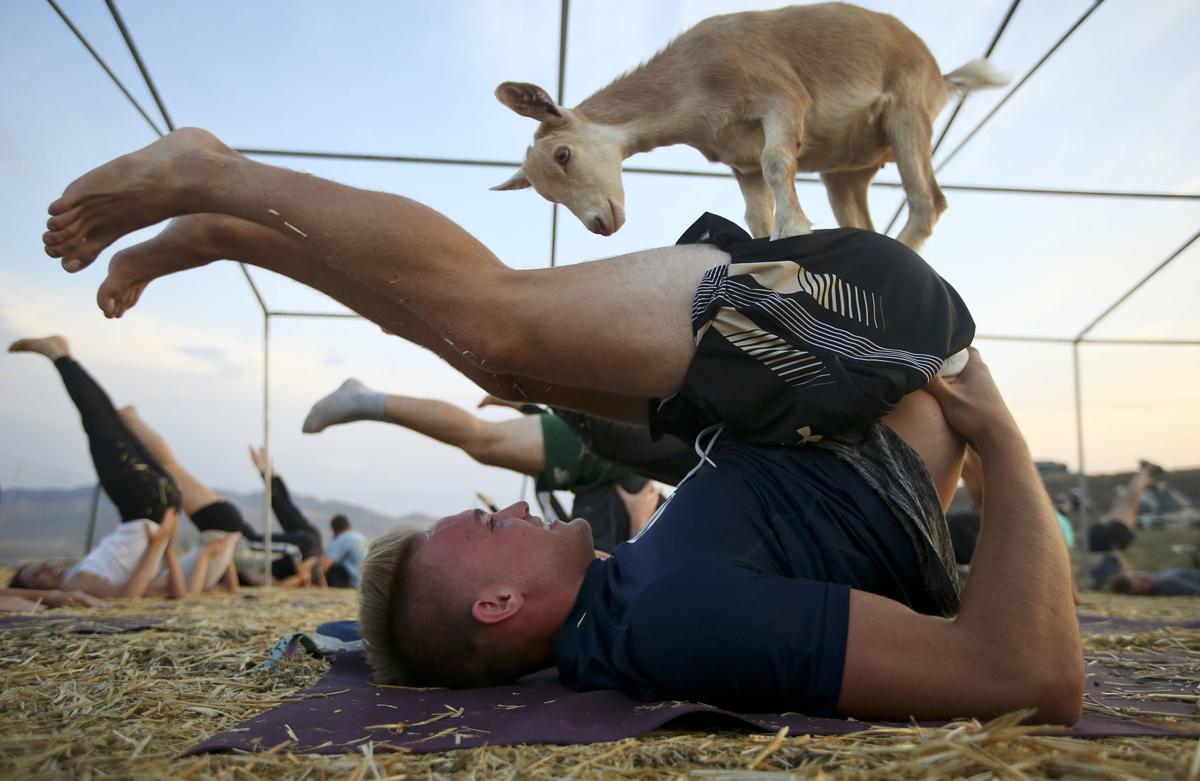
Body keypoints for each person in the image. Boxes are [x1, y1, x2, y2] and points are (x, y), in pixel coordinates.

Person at [41, 128, 1082, 723]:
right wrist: (1004, 442)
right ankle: (213, 177)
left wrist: (362, 631)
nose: (501, 506)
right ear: (499, 601)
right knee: (493, 318)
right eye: (485, 522)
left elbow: (391, 636)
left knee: (492, 352)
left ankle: (233, 230)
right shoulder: (670, 622)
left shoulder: (614, 615)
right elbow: (1027, 680)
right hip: (865, 348)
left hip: (793, 408)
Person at [6, 336, 237, 598]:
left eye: (40, 566)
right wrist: (162, 546)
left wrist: (163, 546)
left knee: (111, 426)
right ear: (32, 591)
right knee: (100, 426)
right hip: (145, 506)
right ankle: (60, 356)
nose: (48, 568)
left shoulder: (74, 577)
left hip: (156, 507)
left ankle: (64, 359)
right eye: (38, 575)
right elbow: (129, 596)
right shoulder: (72, 587)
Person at [303, 382, 659, 551]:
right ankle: (366, 401)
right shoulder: (646, 496)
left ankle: (368, 401)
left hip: (591, 466)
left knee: (481, 442)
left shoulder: (642, 490)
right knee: (481, 440)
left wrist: (527, 407)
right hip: (588, 457)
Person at [247, 447, 326, 587]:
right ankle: (264, 469)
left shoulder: (276, 570)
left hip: (312, 543)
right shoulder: (299, 576)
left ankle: (267, 469)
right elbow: (301, 578)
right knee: (253, 539)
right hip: (306, 547)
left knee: (285, 506)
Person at [322, 514, 367, 588]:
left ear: (334, 530)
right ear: (349, 525)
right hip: (362, 583)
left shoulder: (342, 539)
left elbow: (324, 566)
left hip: (351, 583)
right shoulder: (359, 536)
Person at [1106, 568, 1200, 597]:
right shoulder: (1165, 583)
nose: (1143, 576)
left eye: (1136, 574)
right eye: (1142, 584)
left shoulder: (1159, 576)